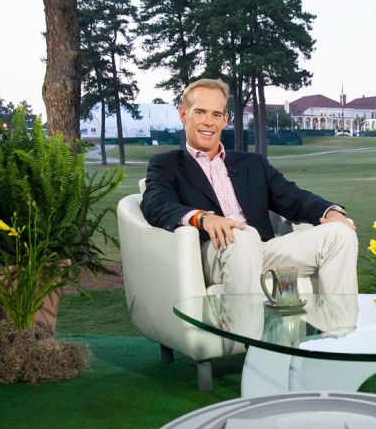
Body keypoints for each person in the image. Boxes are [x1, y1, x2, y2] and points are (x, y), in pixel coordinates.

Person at [141, 78, 358, 296]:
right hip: (215, 251)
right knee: (240, 235)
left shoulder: (252, 163)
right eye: (200, 112)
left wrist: (330, 211)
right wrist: (204, 218)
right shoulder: (166, 164)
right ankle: (245, 329)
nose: (208, 121)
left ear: (225, 120)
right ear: (183, 114)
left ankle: (338, 327)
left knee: (341, 233)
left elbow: (293, 197)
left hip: (262, 248)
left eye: (216, 114)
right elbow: (155, 203)